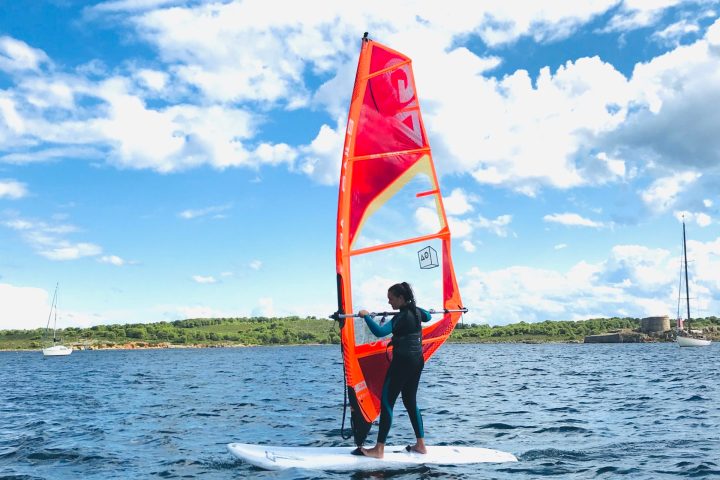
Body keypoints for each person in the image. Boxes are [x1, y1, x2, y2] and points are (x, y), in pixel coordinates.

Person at [356, 282, 432, 459]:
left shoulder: (401, 317)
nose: (389, 302)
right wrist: (413, 305)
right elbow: (427, 316)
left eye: (391, 299)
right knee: (410, 400)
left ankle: (379, 449)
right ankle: (420, 445)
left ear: (400, 298)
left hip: (402, 363)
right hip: (417, 362)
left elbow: (380, 332)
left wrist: (366, 316)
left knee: (387, 402)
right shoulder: (415, 312)